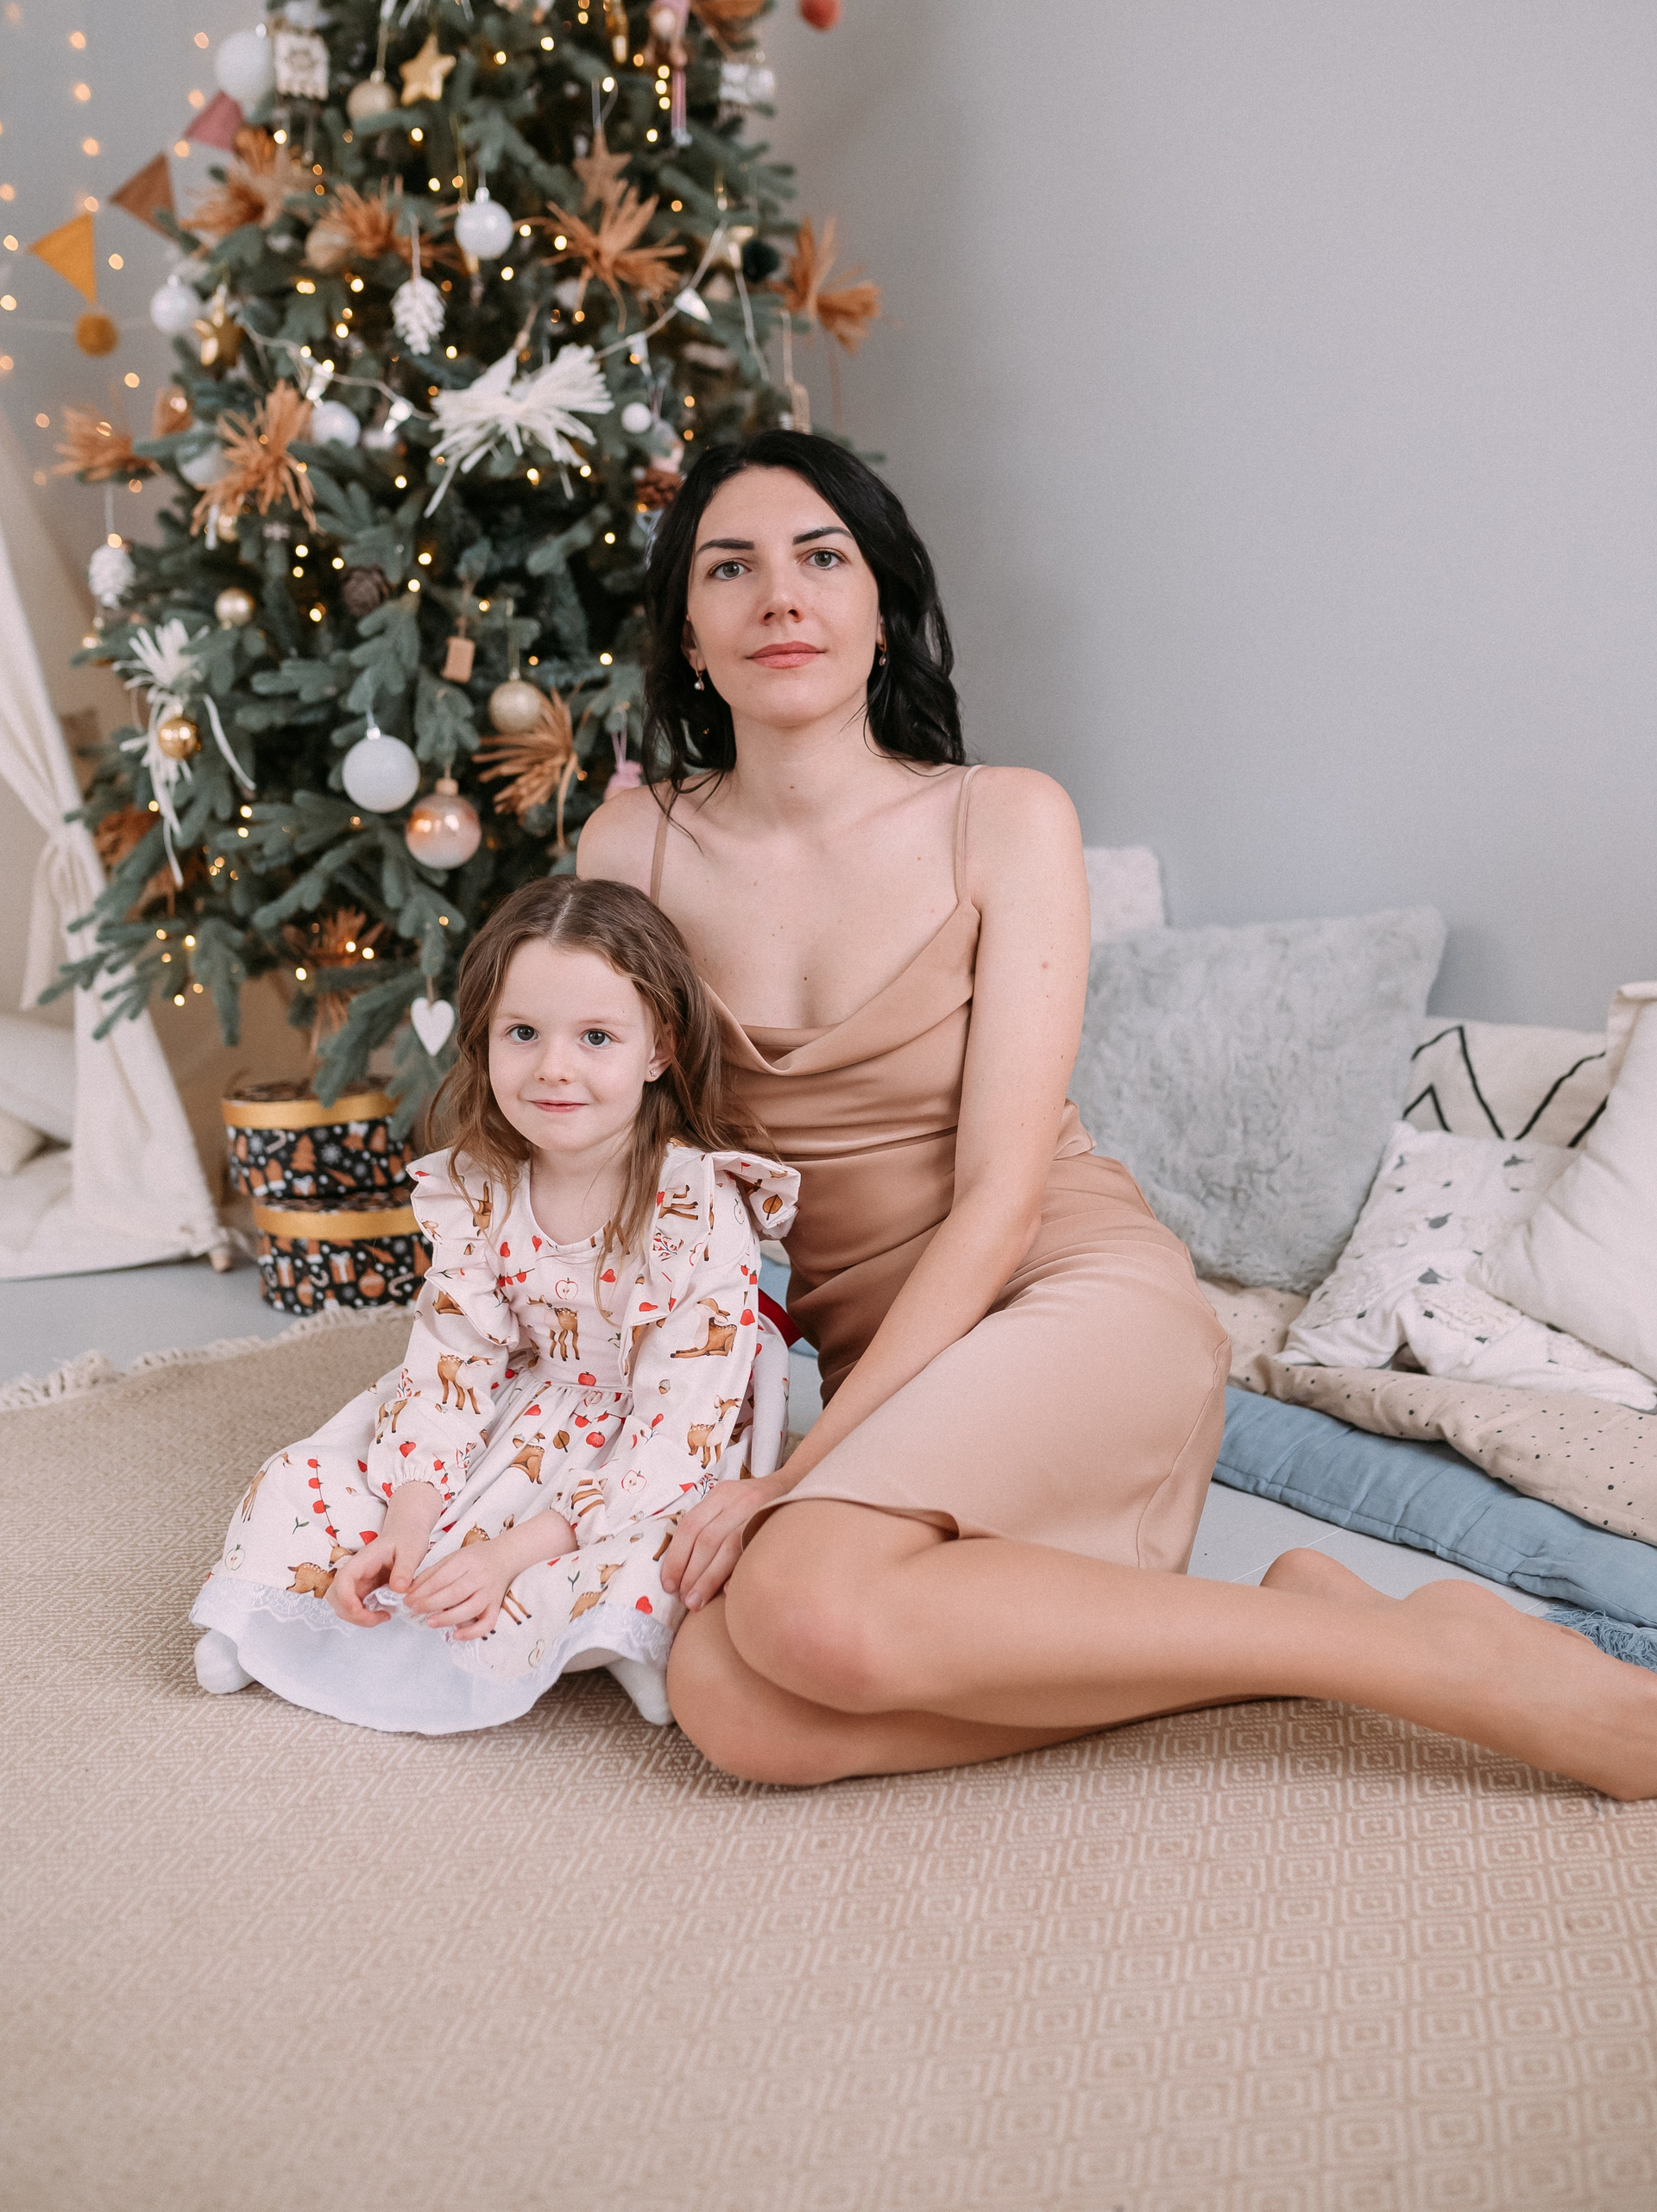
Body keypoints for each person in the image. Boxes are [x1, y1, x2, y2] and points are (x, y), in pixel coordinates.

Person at [577, 432, 1657, 1799]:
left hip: (1068, 1299)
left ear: (882, 609)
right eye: (731, 567)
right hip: (894, 1367)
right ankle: (1295, 1636)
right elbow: (634, 1182)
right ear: (687, 632)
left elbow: (999, 1204)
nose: (780, 596)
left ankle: (1443, 1664)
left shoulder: (1003, 818)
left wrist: (797, 1479)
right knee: (731, 1703)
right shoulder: (632, 848)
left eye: (823, 558)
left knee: (802, 1607)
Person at [190, 879, 797, 1731]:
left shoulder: (695, 1206)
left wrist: (507, 1554)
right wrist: (408, 1521)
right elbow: (451, 1365)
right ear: (484, 1038)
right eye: (522, 1033)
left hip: (645, 1442)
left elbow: (678, 1431)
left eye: (596, 1037)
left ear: (659, 1049)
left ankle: (607, 1635)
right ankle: (260, 1616)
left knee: (663, 1542)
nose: (554, 1068)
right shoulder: (479, 1186)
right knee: (303, 1475)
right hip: (518, 1408)